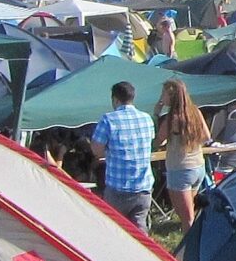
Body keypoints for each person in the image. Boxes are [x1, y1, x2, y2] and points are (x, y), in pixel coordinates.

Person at [89, 81, 157, 225]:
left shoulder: (108, 119)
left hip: (118, 188)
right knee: (139, 229)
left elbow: (96, 150)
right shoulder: (147, 118)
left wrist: (107, 153)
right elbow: (149, 142)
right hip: (143, 186)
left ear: (115, 99)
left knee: (115, 229)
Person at [154, 78, 211, 230]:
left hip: (180, 170)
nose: (161, 97)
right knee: (191, 211)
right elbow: (206, 136)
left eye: (163, 94)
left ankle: (188, 250)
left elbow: (158, 141)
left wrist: (156, 115)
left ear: (171, 96)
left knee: (187, 219)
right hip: (197, 166)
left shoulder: (171, 119)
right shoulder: (195, 112)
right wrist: (188, 138)